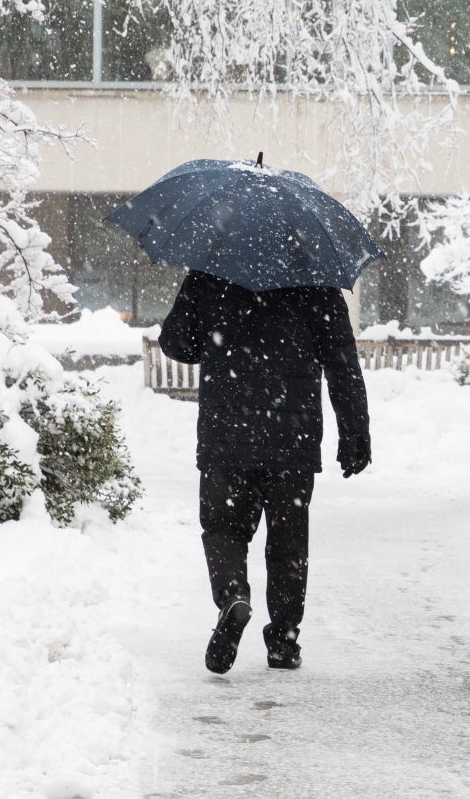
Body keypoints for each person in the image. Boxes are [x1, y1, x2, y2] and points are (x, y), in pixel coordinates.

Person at [159, 270, 371, 674]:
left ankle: (234, 597)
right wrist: (355, 431)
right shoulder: (318, 284)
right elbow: (342, 363)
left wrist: (205, 311)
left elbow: (177, 344)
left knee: (224, 528)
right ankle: (284, 641)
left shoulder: (211, 272)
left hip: (227, 434)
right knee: (288, 544)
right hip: (293, 438)